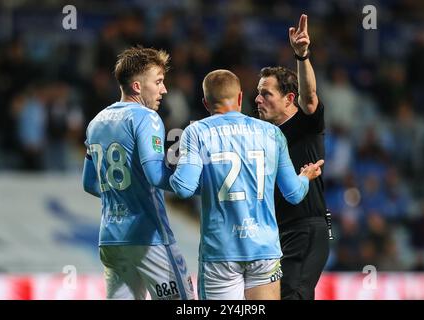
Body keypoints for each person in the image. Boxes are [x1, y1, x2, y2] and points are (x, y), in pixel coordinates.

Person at [169, 69, 324, 300]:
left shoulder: (197, 131)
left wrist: (168, 170)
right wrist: (305, 177)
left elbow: (183, 188)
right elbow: (294, 193)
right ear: (240, 97)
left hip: (221, 252)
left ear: (205, 102)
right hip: (264, 250)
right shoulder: (271, 133)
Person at [82, 46, 194, 300]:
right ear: (136, 86)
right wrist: (187, 180)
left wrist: (123, 195)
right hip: (148, 237)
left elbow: (89, 183)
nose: (164, 89)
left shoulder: (96, 121)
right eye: (158, 82)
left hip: (111, 239)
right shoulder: (147, 118)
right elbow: (155, 176)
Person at [255, 14, 330, 300]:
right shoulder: (260, 133)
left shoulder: (305, 124)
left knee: (293, 294)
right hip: (274, 232)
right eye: (257, 94)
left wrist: (302, 55)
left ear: (289, 98)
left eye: (266, 94)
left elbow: (309, 97)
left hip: (306, 228)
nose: (258, 100)